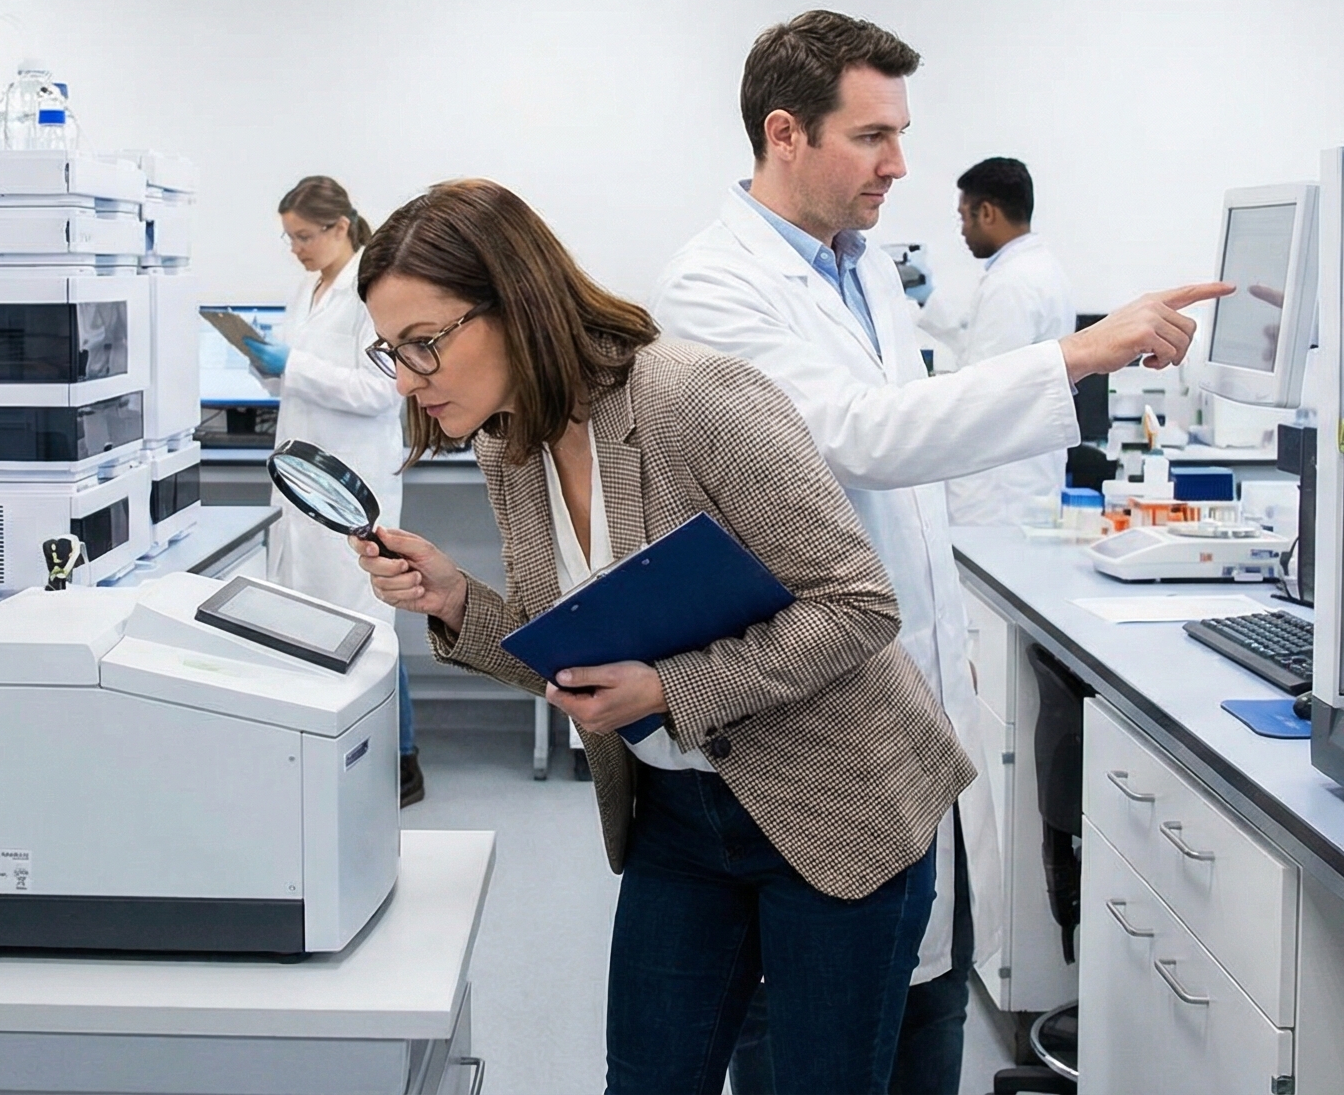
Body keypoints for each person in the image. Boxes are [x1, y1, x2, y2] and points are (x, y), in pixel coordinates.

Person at [653, 10, 1227, 1095]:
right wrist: (1087, 351)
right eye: (872, 136)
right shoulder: (711, 285)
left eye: (899, 134)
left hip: (913, 700)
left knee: (924, 1027)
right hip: (814, 736)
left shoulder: (857, 267)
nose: (900, 164)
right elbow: (855, 435)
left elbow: (906, 446)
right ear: (786, 133)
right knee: (816, 1052)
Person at [348, 179, 969, 1094]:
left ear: (515, 306)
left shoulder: (696, 399)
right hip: (678, 821)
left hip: (838, 800)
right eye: (390, 352)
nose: (405, 379)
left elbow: (857, 604)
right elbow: (580, 655)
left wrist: (670, 691)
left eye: (424, 344)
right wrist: (453, 600)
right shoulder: (508, 442)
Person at [246, 175, 426, 805]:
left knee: (366, 620)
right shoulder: (311, 288)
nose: (295, 247)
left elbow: (380, 390)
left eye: (303, 235)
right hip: (304, 476)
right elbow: (302, 383)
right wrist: (267, 368)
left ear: (338, 227)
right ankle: (329, 749)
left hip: (351, 478)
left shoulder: (366, 291)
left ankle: (399, 764)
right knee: (313, 615)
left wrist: (290, 365)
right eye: (288, 237)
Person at [926, 157, 1078, 522]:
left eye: (965, 217)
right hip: (1021, 477)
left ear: (988, 213)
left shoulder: (1011, 283)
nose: (963, 230)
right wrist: (925, 300)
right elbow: (989, 353)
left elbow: (984, 386)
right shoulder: (1036, 270)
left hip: (1000, 491)